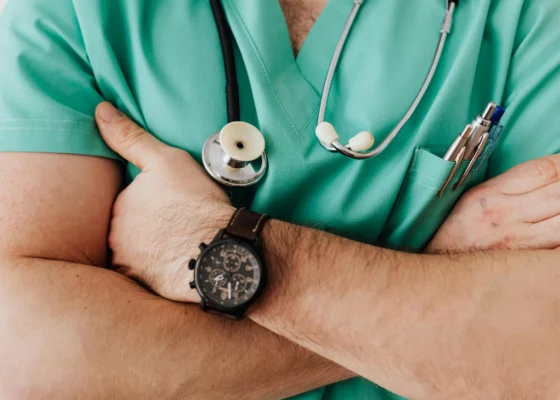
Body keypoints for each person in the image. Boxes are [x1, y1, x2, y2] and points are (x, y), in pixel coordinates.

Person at [0, 0, 559, 399]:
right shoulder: (72, 10)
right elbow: (27, 357)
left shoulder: (530, 16)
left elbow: (545, 355)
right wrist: (426, 264)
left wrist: (198, 244)